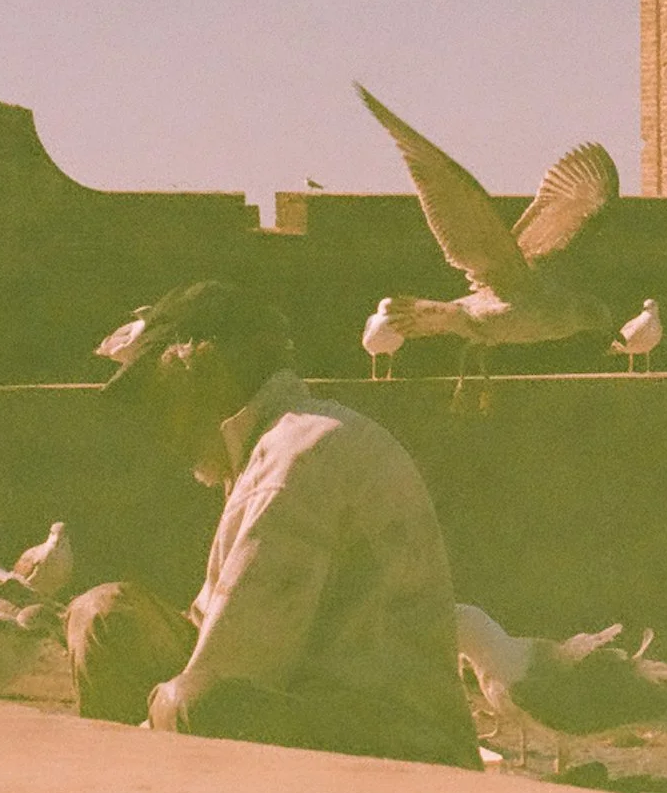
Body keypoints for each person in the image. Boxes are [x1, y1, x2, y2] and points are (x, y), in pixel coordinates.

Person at [65, 278, 481, 766]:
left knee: (196, 703)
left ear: (204, 367)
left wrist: (129, 747)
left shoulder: (297, 459)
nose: (158, 425)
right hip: (328, 709)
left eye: (161, 395)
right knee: (104, 618)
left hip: (405, 745)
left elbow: (235, 667)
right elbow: (215, 630)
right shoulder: (272, 447)